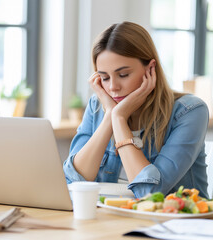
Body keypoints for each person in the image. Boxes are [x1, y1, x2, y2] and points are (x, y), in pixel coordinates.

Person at [63, 21, 209, 199]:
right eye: (104, 77)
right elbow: (74, 181)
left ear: (150, 68)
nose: (113, 87)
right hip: (109, 219)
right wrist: (110, 116)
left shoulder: (190, 111)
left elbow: (148, 193)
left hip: (172, 223)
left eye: (123, 75)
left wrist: (119, 118)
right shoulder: (98, 106)